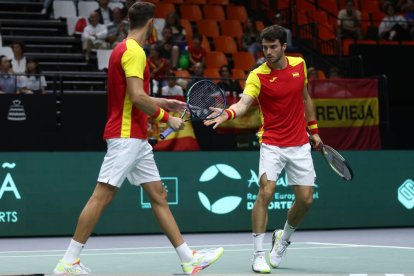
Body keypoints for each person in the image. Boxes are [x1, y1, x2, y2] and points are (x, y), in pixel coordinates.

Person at [53, 2, 224, 275]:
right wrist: (167, 119)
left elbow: (133, 95)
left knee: (158, 195)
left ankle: (188, 259)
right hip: (126, 135)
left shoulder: (122, 48)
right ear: (151, 23)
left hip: (136, 136)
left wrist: (164, 102)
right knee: (102, 196)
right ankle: (68, 261)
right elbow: (136, 97)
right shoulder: (135, 52)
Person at [204, 24, 322, 273]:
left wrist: (315, 131)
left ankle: (282, 240)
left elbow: (305, 97)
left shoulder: (299, 66)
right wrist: (227, 113)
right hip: (271, 143)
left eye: (272, 47)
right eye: (264, 47)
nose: (267, 52)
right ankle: (258, 254)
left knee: (306, 200)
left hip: (299, 143)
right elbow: (245, 103)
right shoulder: (257, 75)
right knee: (266, 192)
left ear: (283, 47)